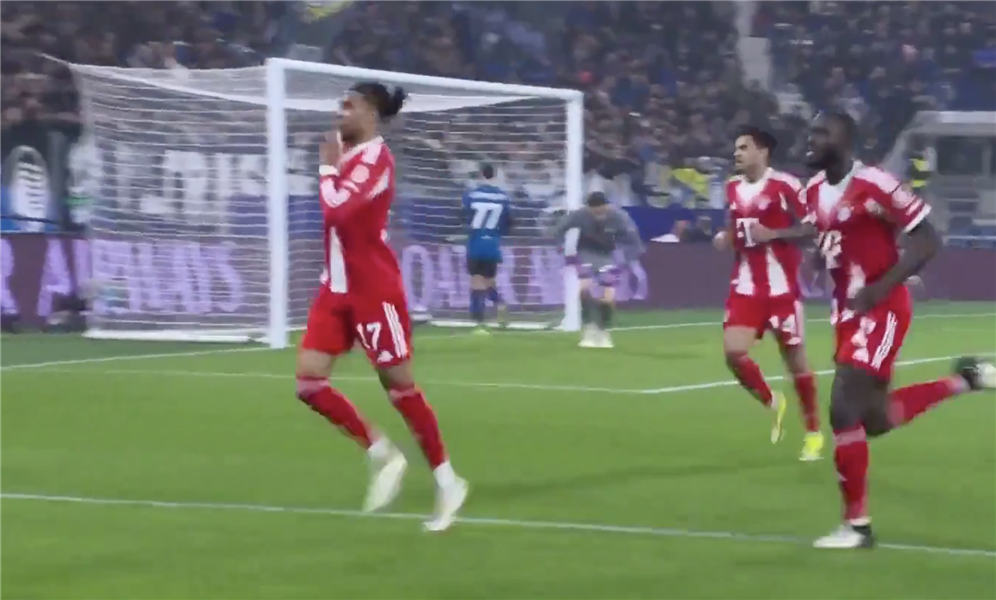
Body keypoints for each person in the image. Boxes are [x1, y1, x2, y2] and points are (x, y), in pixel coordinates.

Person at [750, 111, 995, 549]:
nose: (812, 138)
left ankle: (857, 526)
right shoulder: (813, 190)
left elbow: (928, 239)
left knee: (843, 405)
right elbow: (822, 230)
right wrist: (799, 246)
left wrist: (882, 286)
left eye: (822, 132)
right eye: (811, 131)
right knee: (876, 419)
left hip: (882, 307)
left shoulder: (876, 184)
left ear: (845, 142)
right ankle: (967, 380)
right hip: (848, 314)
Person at [297, 82, 469, 533]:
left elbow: (337, 211)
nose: (340, 112)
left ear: (370, 114)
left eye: (348, 106)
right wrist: (332, 166)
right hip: (334, 289)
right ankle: (382, 453)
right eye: (339, 105)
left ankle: (448, 481)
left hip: (373, 290)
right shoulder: (348, 156)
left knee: (400, 388)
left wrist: (325, 169)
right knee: (309, 384)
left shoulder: (377, 160)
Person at [713, 126, 823, 461]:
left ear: (762, 152)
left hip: (782, 291)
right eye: (736, 148)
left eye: (744, 147)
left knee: (796, 362)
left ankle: (813, 432)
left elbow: (812, 227)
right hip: (745, 288)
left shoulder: (785, 185)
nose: (737, 153)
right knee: (734, 353)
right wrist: (726, 237)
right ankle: (772, 400)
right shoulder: (732, 187)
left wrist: (773, 234)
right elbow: (735, 227)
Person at [550, 192, 644, 348]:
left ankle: (603, 331)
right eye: (594, 210)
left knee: (608, 296)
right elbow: (559, 228)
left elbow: (632, 236)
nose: (598, 212)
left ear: (606, 205)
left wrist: (631, 257)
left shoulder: (619, 216)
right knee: (585, 287)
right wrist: (560, 245)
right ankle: (588, 329)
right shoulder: (580, 215)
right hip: (585, 253)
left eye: (601, 209)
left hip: (608, 255)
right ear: (588, 208)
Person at [463, 163, 513, 332]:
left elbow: (464, 216)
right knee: (489, 280)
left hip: (476, 242)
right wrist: (500, 233)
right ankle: (499, 304)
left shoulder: (471, 194)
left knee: (477, 280)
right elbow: (509, 221)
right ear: (495, 175)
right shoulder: (503, 197)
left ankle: (478, 321)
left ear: (480, 175)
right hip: (492, 243)